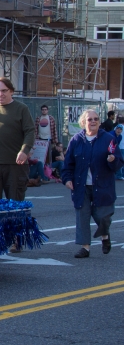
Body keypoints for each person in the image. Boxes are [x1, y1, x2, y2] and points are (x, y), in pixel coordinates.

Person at [61, 109, 123, 259]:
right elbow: (68, 163)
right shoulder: (76, 140)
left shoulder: (108, 139)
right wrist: (67, 179)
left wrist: (113, 160)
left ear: (99, 122)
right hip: (81, 185)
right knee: (82, 214)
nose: (93, 121)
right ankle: (85, 247)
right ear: (83, 122)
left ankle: (105, 236)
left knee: (103, 216)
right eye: (90, 119)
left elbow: (118, 159)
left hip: (102, 184)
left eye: (96, 119)